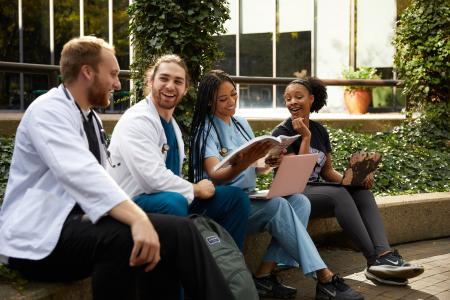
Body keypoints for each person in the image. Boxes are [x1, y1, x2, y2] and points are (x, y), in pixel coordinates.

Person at [0, 37, 235, 300]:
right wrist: (138, 218)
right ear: (88, 72)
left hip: (79, 225)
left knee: (181, 232)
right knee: (124, 240)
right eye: (112, 74)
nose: (118, 83)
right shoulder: (48, 111)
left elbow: (100, 178)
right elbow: (81, 173)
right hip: (38, 239)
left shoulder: (89, 117)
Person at [189, 70, 363, 300]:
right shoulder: (205, 129)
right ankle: (324, 277)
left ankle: (262, 276)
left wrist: (270, 161)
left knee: (300, 202)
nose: (231, 102)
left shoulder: (240, 123)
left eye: (234, 95)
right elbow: (216, 174)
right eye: (223, 99)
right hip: (222, 204)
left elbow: (257, 167)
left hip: (250, 197)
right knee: (279, 207)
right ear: (209, 101)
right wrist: (250, 160)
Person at [272, 77, 425, 286]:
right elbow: (298, 176)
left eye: (298, 97)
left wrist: (353, 181)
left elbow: (327, 171)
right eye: (288, 98)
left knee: (361, 193)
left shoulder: (319, 130)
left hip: (317, 192)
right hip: (294, 193)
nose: (292, 102)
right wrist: (304, 138)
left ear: (311, 99)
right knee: (338, 194)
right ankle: (374, 261)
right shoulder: (281, 133)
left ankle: (384, 253)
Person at [107, 54, 250, 250]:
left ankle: (229, 268)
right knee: (173, 202)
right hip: (133, 203)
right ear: (150, 81)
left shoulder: (171, 124)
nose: (170, 86)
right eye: (164, 78)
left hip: (171, 199)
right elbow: (152, 179)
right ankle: (184, 275)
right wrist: (195, 188)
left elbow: (172, 176)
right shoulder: (137, 120)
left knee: (235, 198)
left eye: (178, 81)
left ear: (185, 90)